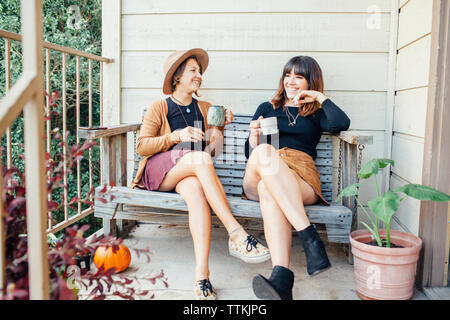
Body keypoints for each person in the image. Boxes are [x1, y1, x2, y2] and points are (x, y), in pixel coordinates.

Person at [130, 48, 270, 300]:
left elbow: (213, 151)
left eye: (200, 72)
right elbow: (142, 146)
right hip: (161, 170)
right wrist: (177, 136)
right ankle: (236, 233)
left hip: (190, 170)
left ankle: (201, 276)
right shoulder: (159, 107)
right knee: (199, 158)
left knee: (197, 192)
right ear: (177, 77)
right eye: (193, 70)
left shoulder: (204, 108)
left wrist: (219, 125)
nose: (199, 76)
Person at [242, 56, 350, 300]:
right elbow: (251, 154)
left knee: (270, 191)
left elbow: (341, 123)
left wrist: (319, 98)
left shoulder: (316, 112)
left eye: (298, 76)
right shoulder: (266, 108)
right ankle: (310, 238)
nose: (290, 81)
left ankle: (281, 279)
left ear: (310, 82)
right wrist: (253, 137)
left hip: (301, 175)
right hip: (260, 171)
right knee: (263, 153)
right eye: (287, 75)